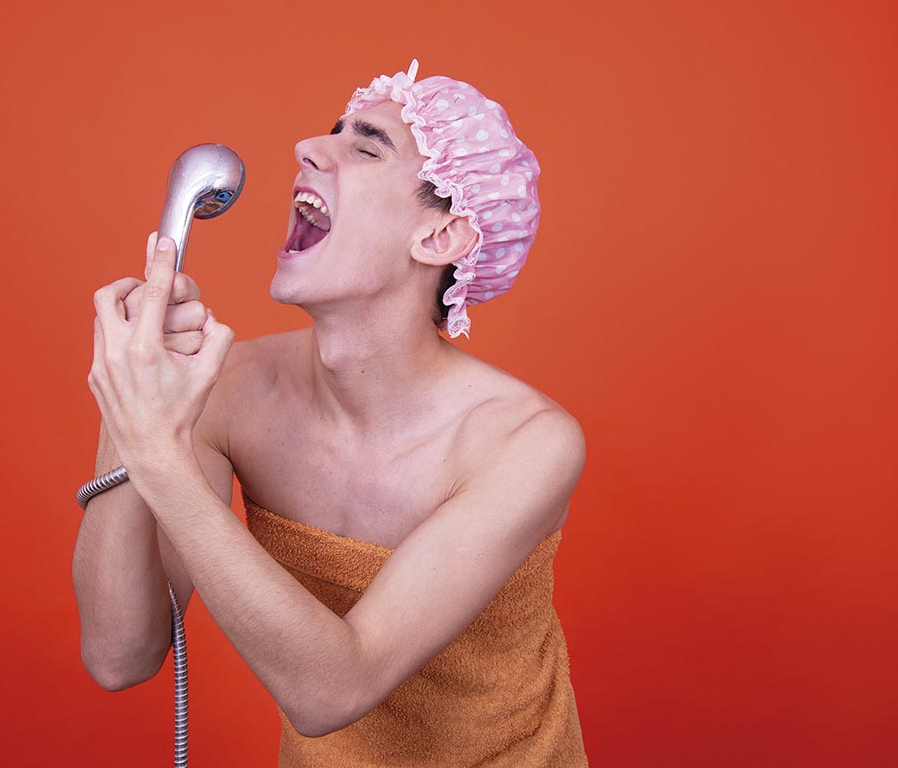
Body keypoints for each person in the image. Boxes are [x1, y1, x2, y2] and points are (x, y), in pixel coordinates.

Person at [74, 60, 589, 766]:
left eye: (368, 146)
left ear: (439, 238)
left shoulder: (526, 443)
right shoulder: (231, 389)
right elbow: (117, 654)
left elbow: (332, 690)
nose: (308, 150)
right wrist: (129, 397)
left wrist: (159, 453)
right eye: (331, 132)